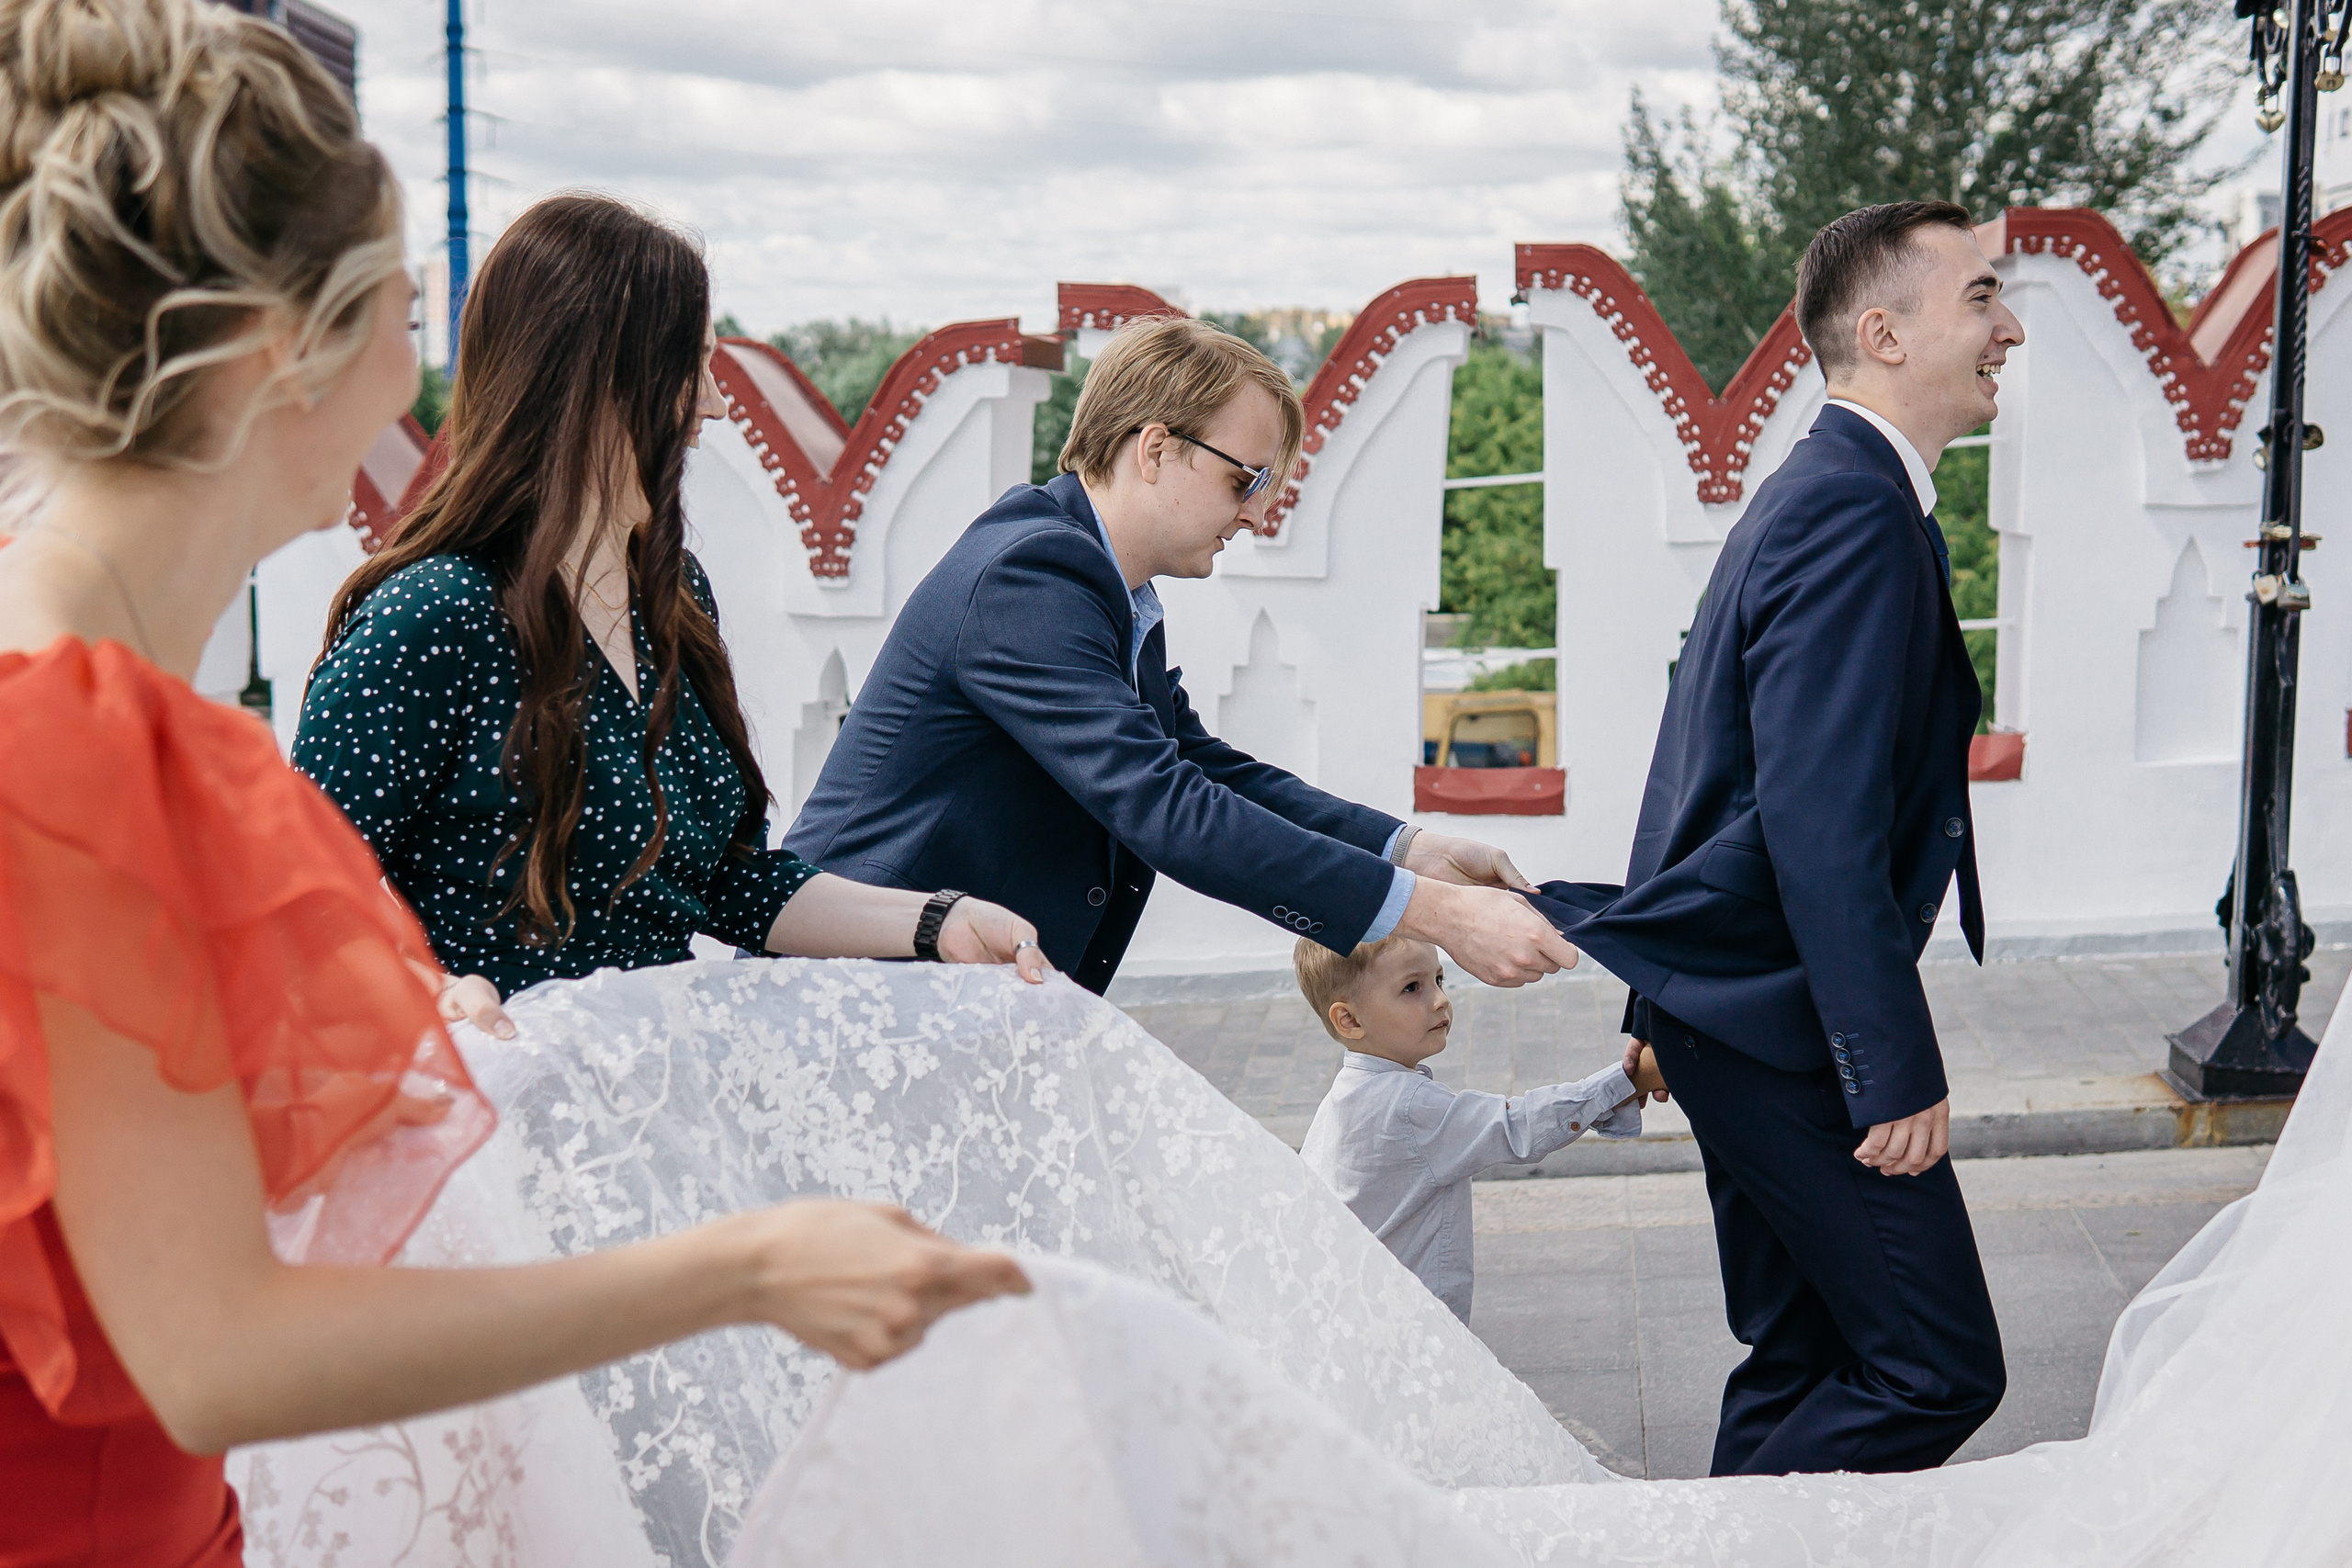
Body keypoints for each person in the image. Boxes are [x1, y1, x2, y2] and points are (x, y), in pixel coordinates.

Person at [0, 6, 1023, 1562]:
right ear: (292, 354)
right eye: (407, 305)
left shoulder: (111, 712)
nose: (434, 362)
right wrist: (747, 1268)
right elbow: (213, 1354)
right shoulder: (79, 741)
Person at [1524, 200, 2024, 1476]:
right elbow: (1812, 814)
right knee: (1935, 1364)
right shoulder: (1851, 506)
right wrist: (1887, 1061)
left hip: (1732, 1002)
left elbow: (1698, 752)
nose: (2007, 325)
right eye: (1980, 297)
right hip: (1781, 1017)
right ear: (1883, 331)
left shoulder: (1834, 489)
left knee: (1802, 1356)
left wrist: (1656, 988)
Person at [290, 194, 1048, 1026]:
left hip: (651, 1108)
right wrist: (427, 993)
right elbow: (292, 898)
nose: (715, 405)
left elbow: (731, 883)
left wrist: (938, 922)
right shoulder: (433, 614)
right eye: (695, 364)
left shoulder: (675, 593)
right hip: (497, 1114)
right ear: (600, 376)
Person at [784, 315, 1580, 996]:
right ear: (1156, 448)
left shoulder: (1101, 579)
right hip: (866, 986)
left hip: (955, 995)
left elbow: (1204, 766)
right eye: (1246, 481)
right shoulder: (1029, 578)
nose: (1258, 515)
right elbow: (1165, 805)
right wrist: (1435, 913)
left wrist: (1408, 848)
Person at [1294, 935, 1664, 1322]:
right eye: (1411, 988)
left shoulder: (1344, 1096)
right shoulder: (1408, 1106)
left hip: (1357, 1313)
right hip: (1411, 1326)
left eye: (1439, 979)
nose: (1439, 1000)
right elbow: (1517, 1125)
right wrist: (1632, 1080)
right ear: (1350, 1020)